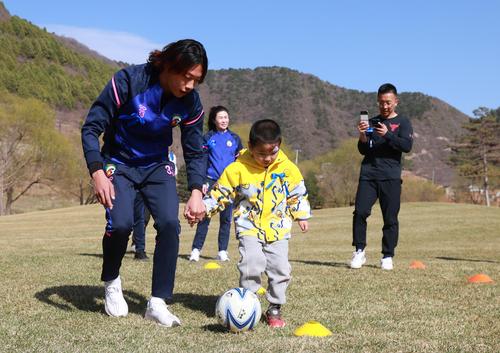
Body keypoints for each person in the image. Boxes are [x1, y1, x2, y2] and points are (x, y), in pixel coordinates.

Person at [81, 39, 208, 327]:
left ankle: (158, 302)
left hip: (157, 164)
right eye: (186, 76)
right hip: (119, 161)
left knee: (169, 223)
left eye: (196, 80)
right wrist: (97, 171)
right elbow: (91, 127)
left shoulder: (190, 102)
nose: (189, 85)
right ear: (169, 64)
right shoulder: (128, 81)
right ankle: (112, 280)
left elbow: (194, 147)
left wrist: (197, 191)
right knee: (122, 223)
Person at [198, 119, 311, 328]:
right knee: (251, 262)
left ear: (279, 145)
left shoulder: (288, 169)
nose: (267, 158)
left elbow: (297, 193)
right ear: (250, 147)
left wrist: (301, 214)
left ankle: (275, 307)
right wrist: (203, 208)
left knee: (281, 269)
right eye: (261, 154)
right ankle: (247, 303)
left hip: (278, 228)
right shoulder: (238, 169)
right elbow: (221, 192)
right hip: (249, 225)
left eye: (272, 153)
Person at [350, 83, 413, 270]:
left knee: (390, 218)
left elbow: (406, 146)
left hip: (391, 176)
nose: (384, 106)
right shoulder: (372, 122)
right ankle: (359, 251)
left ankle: (387, 256)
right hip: (368, 174)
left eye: (387, 102)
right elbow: (364, 149)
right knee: (360, 212)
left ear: (395, 102)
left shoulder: (403, 122)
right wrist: (362, 135)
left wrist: (388, 134)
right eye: (380, 103)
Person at [189, 106, 243, 262]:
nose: (224, 120)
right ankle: (196, 250)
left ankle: (222, 251)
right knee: (204, 216)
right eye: (221, 117)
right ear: (214, 120)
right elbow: (202, 160)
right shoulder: (207, 138)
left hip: (229, 183)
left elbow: (239, 161)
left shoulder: (235, 138)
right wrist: (203, 182)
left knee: (226, 219)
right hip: (210, 181)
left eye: (226, 117)